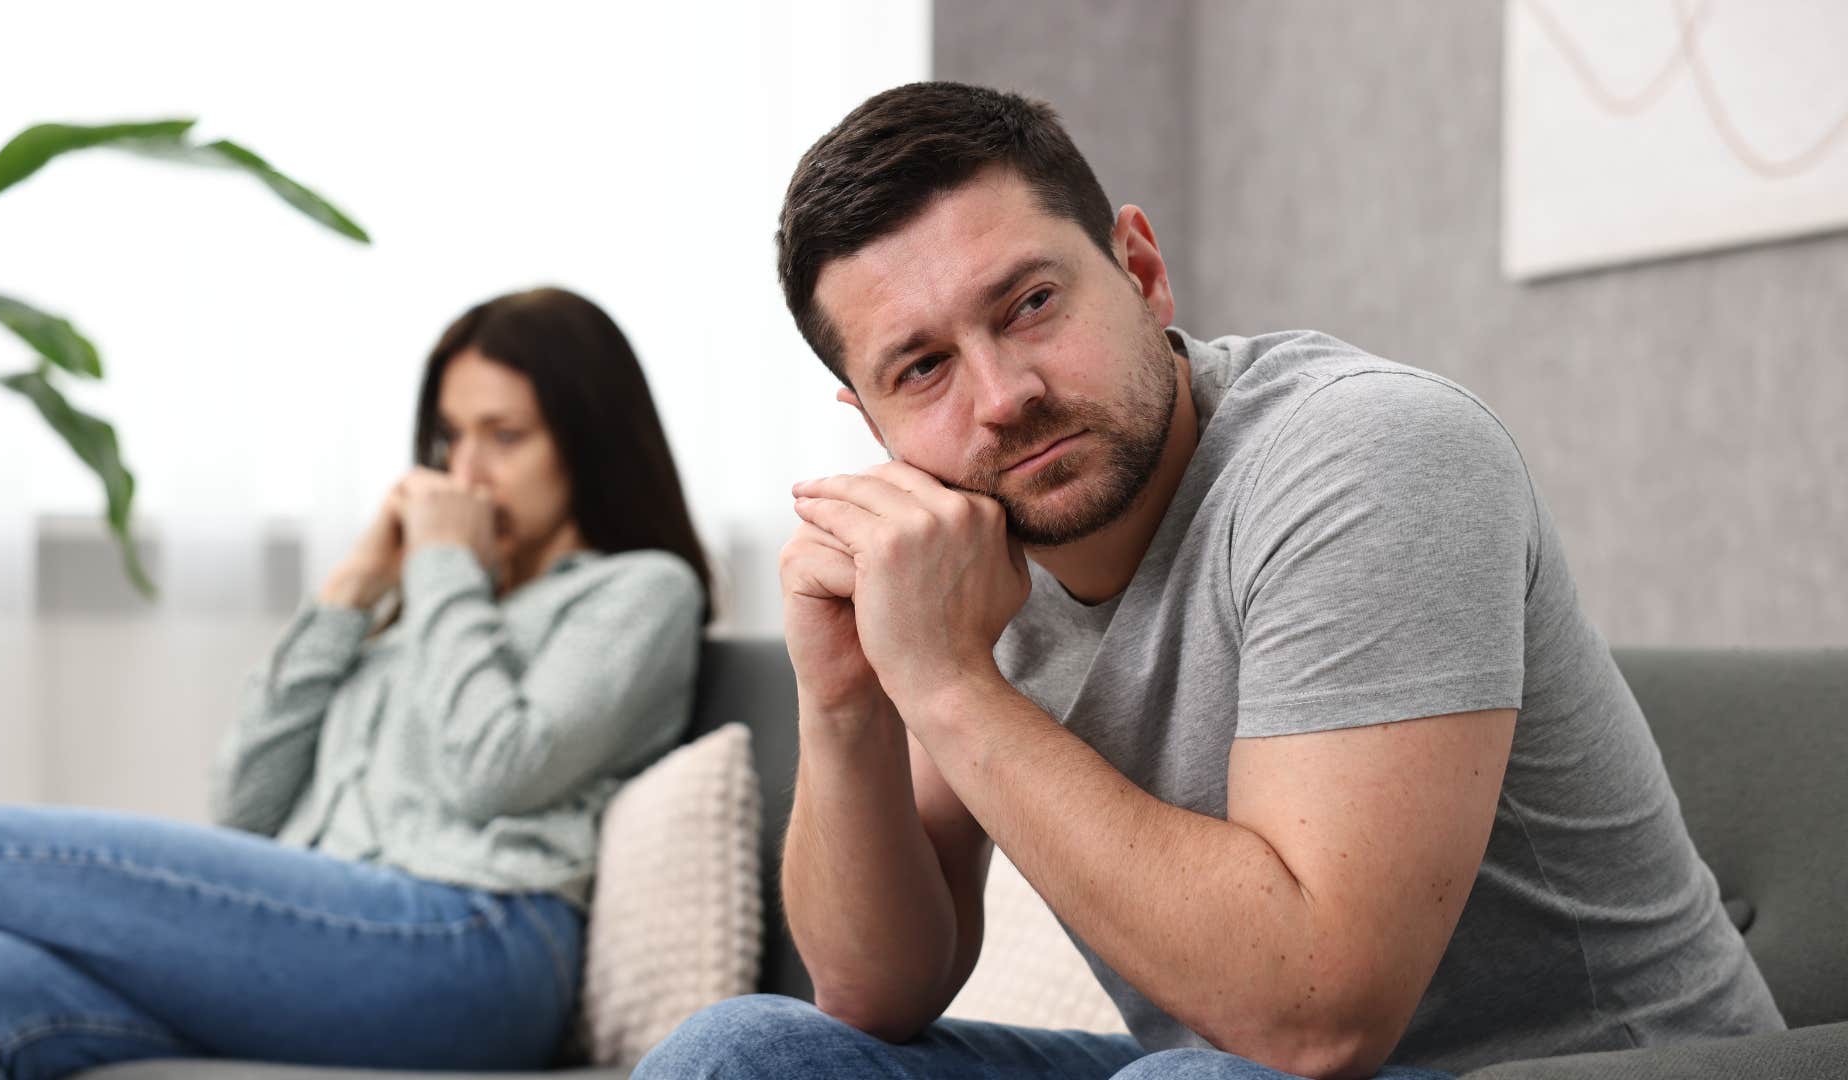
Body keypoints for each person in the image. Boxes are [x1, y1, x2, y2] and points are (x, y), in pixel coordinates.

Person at [635, 83, 1783, 1080]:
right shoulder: (971, 549)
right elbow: (878, 994)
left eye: (1031, 303)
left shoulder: (1371, 455)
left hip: (1592, 1072)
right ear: (872, 422)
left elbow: (1317, 1019)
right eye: (922, 368)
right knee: (738, 1059)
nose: (1001, 397)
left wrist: (944, 684)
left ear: (1140, 269)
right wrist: (846, 700)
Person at [0, 286, 711, 1076]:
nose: (465, 475)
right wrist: (350, 592)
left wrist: (444, 566)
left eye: (504, 437)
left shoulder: (639, 591)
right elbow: (245, 805)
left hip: (477, 944)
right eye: (449, 438)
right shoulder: (431, 613)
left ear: (589, 441)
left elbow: (494, 772)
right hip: (331, 936)